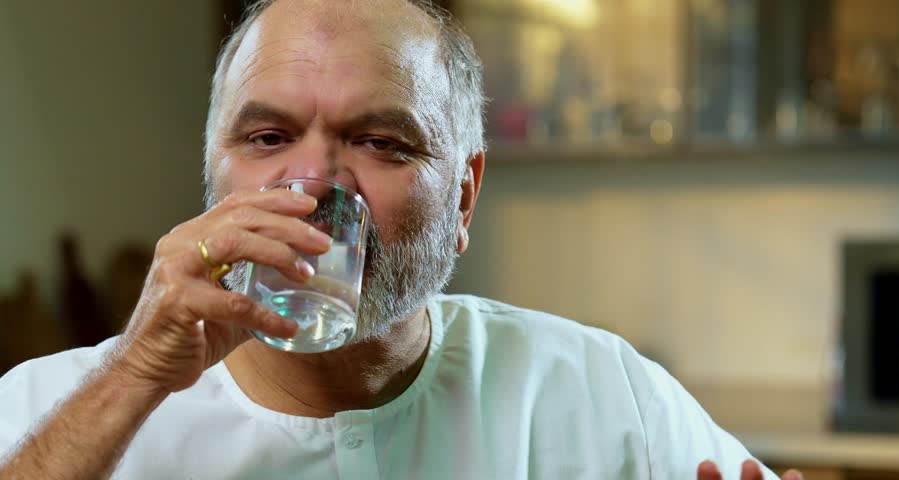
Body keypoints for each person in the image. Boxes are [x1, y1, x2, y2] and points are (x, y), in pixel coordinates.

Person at [0, 1, 802, 479]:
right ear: (213, 172)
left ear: (464, 195)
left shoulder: (602, 394)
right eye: (269, 137)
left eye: (382, 142)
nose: (313, 186)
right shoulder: (49, 409)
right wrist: (135, 373)